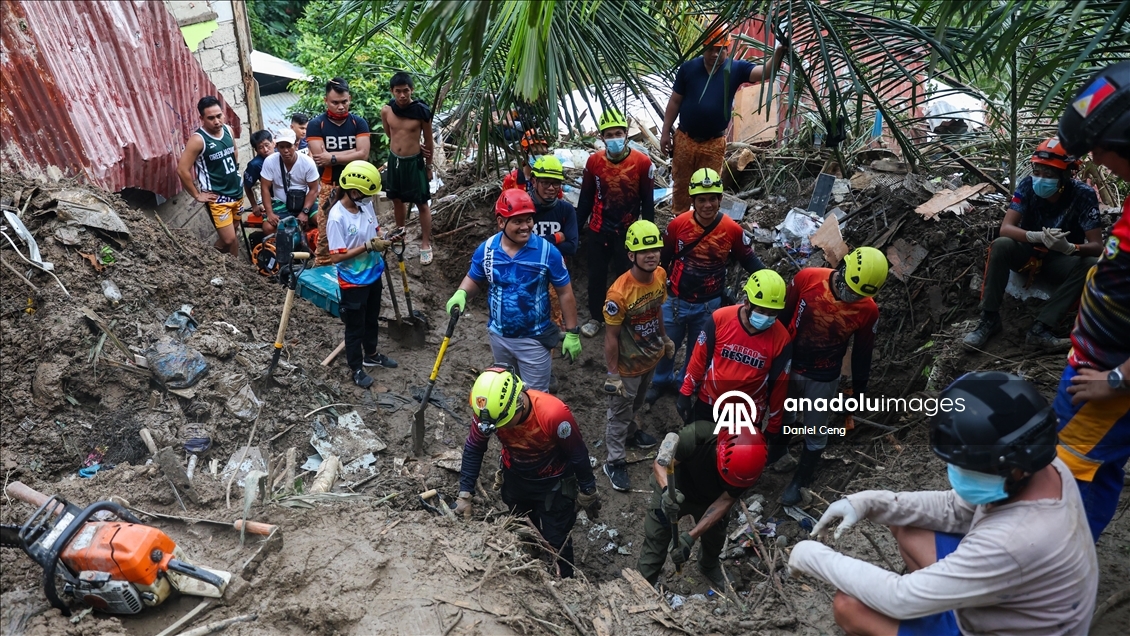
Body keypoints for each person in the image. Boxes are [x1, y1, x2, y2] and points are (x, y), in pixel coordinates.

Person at [788, 371, 1099, 636]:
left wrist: (812, 555)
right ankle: (938, 597)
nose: (958, 475)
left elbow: (899, 597)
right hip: (1011, 602)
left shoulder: (1011, 542)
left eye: (968, 466)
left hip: (995, 627)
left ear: (1013, 467)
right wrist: (867, 503)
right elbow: (955, 508)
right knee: (909, 525)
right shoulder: (1046, 466)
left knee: (849, 606)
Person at [1052, 60, 1130, 542]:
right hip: (1094, 363)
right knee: (1086, 469)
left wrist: (1118, 381)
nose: (1098, 161)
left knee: (1072, 479)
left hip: (1108, 381)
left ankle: (1056, 589)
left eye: (1101, 150)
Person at [455, 365, 601, 578]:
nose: (497, 428)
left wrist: (588, 489)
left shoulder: (553, 413)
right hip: (516, 477)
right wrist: (465, 493)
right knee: (522, 524)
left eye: (501, 423)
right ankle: (530, 562)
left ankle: (566, 580)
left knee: (557, 539)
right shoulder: (488, 411)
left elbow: (577, 452)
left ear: (518, 404)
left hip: (554, 484)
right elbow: (474, 447)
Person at [963, 137, 1103, 352]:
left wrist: (1070, 248)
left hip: (1060, 260)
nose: (1040, 179)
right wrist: (1035, 236)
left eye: (1048, 175)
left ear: (1066, 175)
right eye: (1037, 172)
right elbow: (1006, 229)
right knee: (1001, 244)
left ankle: (1041, 329)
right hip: (1027, 253)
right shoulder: (1028, 186)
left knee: (1092, 265)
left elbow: (1097, 246)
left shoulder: (1083, 195)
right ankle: (989, 319)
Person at [774, 247, 887, 506]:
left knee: (815, 429)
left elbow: (862, 353)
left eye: (860, 294)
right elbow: (782, 318)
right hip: (791, 363)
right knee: (783, 414)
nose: (852, 297)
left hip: (824, 374)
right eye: (851, 289)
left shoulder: (868, 310)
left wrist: (859, 391)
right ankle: (779, 453)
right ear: (844, 269)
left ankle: (800, 479)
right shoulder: (808, 279)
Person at [646, 168, 766, 404]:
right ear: (693, 200)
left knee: (697, 351)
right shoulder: (678, 225)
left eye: (713, 199)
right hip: (676, 299)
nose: (708, 205)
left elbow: (749, 259)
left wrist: (770, 283)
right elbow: (664, 259)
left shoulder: (731, 229)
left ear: (721, 199)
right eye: (702, 199)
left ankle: (684, 385)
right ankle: (660, 381)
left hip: (709, 305)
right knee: (667, 345)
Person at [446, 190, 583, 392]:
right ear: (502, 222)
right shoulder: (488, 249)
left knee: (535, 398)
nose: (526, 226)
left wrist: (572, 332)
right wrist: (462, 293)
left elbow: (565, 292)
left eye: (529, 219)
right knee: (507, 391)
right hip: (499, 336)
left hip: (534, 339)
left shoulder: (547, 252)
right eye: (518, 221)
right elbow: (474, 277)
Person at [660, 26, 787, 214]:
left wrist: (779, 52)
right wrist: (665, 133)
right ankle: (681, 226)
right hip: (685, 139)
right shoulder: (688, 69)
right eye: (711, 48)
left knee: (708, 187)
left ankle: (704, 227)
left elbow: (765, 72)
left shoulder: (735, 69)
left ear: (728, 48)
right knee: (681, 186)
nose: (715, 53)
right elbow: (675, 101)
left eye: (720, 49)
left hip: (713, 144)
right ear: (704, 47)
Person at [637, 425, 766, 590]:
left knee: (715, 537)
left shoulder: (749, 469)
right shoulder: (694, 437)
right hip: (673, 489)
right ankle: (642, 585)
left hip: (711, 499)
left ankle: (708, 565)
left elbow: (726, 500)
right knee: (656, 536)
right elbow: (660, 464)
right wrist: (665, 492)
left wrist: (690, 537)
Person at [601, 220, 673, 491]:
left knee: (636, 404)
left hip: (649, 358)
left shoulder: (660, 276)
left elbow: (657, 309)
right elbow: (610, 336)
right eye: (644, 251)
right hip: (627, 366)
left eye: (655, 248)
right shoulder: (619, 294)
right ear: (631, 255)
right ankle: (615, 461)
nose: (651, 254)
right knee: (618, 413)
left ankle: (631, 434)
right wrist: (613, 374)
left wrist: (664, 339)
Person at [678, 270, 792, 433]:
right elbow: (699, 359)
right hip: (710, 402)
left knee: (738, 458)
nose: (766, 317)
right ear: (747, 302)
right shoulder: (720, 319)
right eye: (761, 311)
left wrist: (774, 423)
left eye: (772, 313)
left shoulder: (781, 339)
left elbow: (779, 385)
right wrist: (686, 392)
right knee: (692, 451)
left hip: (748, 413)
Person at [577, 109, 656, 338]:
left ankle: (626, 316)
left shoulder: (642, 163)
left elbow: (647, 202)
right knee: (596, 275)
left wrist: (648, 239)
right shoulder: (594, 162)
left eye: (618, 133)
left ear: (626, 134)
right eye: (609, 134)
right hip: (599, 229)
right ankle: (595, 317)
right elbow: (585, 199)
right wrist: (573, 231)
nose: (614, 138)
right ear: (602, 137)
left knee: (627, 276)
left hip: (628, 231)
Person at [324, 161, 398, 389]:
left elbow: (376, 230)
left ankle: (372, 354)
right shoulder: (337, 218)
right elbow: (336, 256)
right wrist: (368, 246)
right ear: (354, 191)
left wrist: (387, 236)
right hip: (353, 282)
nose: (370, 199)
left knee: (371, 318)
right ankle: (356, 367)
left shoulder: (365, 206)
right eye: (367, 194)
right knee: (355, 326)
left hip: (373, 274)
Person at [307, 78, 372, 265]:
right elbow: (320, 157)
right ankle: (322, 271)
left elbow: (364, 154)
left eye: (344, 101)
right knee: (326, 233)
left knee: (361, 227)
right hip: (330, 186)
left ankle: (358, 264)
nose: (341, 106)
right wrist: (352, 153)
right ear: (326, 100)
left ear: (350, 98)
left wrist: (333, 157)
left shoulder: (358, 123)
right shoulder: (316, 124)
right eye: (335, 102)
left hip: (357, 185)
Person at [176, 96, 243, 257]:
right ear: (202, 118)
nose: (216, 121)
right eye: (211, 118)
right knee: (228, 239)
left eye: (219, 116)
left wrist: (234, 171)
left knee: (234, 233)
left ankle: (238, 269)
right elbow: (182, 170)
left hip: (237, 192)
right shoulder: (198, 140)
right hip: (218, 197)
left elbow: (234, 150)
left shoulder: (228, 130)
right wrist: (197, 194)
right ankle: (209, 260)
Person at [380, 72, 436, 265]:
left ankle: (426, 243)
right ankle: (400, 233)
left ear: (412, 90)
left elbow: (428, 141)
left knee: (422, 203)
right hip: (395, 161)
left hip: (415, 163)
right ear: (392, 91)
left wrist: (429, 167)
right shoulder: (387, 111)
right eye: (398, 91)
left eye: (406, 91)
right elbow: (391, 134)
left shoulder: (421, 112)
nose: (402, 95)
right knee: (396, 199)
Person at [259, 128, 320, 235]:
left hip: (305, 200)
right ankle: (281, 250)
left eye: (289, 146)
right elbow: (265, 188)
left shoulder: (307, 162)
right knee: (268, 227)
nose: (285, 150)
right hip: (281, 202)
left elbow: (314, 189)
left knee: (321, 220)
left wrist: (305, 211)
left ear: (296, 145)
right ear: (276, 146)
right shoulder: (270, 162)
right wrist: (269, 213)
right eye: (282, 147)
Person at [528, 156, 579, 258]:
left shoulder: (566, 209)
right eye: (546, 182)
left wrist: (533, 245)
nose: (551, 188)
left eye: (556, 183)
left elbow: (571, 247)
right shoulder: (523, 208)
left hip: (555, 270)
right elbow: (516, 244)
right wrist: (556, 238)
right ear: (534, 182)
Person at [502, 129, 561, 199]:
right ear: (524, 154)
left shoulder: (552, 178)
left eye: (544, 154)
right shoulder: (512, 180)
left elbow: (558, 202)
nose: (541, 157)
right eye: (535, 153)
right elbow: (505, 204)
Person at [242, 130, 274, 223]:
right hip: (274, 199)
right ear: (256, 150)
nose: (265, 150)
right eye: (260, 147)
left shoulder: (282, 154)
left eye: (267, 145)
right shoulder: (255, 165)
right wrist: (254, 205)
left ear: (273, 143)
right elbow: (247, 185)